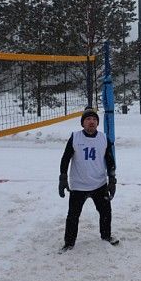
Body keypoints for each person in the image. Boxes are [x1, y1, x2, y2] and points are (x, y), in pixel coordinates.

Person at [58, 106, 117, 252]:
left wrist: (112, 179)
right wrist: (63, 178)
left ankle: (106, 236)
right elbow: (65, 159)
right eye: (88, 119)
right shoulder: (75, 137)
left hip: (99, 183)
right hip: (79, 185)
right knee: (73, 216)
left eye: (94, 119)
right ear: (83, 123)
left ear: (97, 123)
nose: (91, 122)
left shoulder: (103, 138)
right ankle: (69, 243)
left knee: (105, 212)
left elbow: (110, 160)